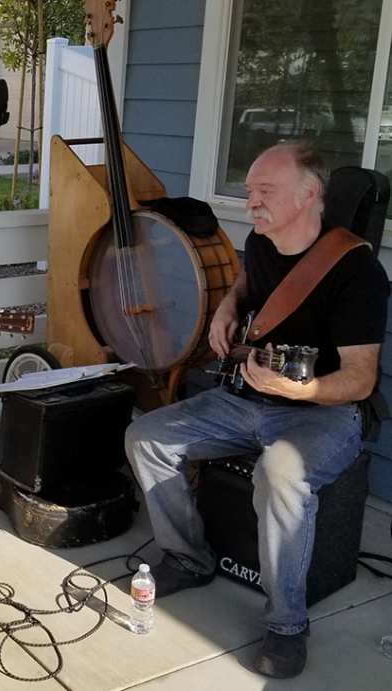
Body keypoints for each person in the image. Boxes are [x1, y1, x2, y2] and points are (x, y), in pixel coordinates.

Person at [125, 142, 389, 678]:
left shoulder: (357, 272)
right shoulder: (262, 240)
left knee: (281, 473)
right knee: (146, 437)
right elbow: (253, 282)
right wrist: (228, 305)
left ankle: (287, 624)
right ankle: (187, 558)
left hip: (323, 413)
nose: (251, 203)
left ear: (309, 194)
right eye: (248, 191)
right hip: (246, 398)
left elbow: (361, 380)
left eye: (264, 191)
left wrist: (303, 393)